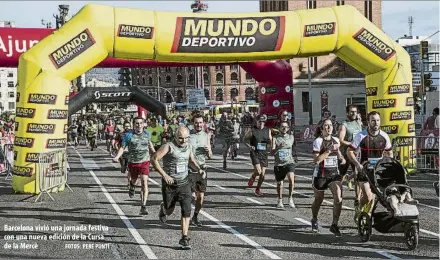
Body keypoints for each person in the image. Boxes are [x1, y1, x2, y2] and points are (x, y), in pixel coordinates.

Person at [151, 126, 206, 250]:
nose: (184, 141)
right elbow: (154, 159)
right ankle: (163, 208)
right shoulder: (168, 146)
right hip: (170, 185)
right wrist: (164, 175)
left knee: (186, 210)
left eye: (186, 138)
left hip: (184, 183)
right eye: (181, 138)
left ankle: (184, 237)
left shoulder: (188, 146)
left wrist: (199, 169)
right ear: (175, 136)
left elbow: (191, 160)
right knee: (169, 211)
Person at [347, 111, 393, 223]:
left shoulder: (384, 136)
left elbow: (389, 152)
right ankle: (360, 208)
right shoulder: (361, 135)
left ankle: (366, 215)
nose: (376, 123)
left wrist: (388, 163)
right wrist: (357, 165)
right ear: (368, 122)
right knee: (368, 197)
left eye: (377, 120)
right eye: (373, 120)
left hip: (378, 171)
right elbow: (349, 151)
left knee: (374, 198)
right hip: (364, 170)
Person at [113, 117, 155, 215]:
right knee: (134, 180)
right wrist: (117, 157)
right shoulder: (128, 135)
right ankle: (132, 186)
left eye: (141, 123)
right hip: (133, 162)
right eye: (137, 123)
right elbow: (122, 147)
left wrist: (156, 153)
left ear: (143, 124)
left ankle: (143, 206)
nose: (139, 125)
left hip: (145, 161)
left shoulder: (147, 134)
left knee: (144, 181)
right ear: (133, 125)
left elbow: (150, 145)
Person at [311, 119, 346, 236]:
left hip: (333, 175)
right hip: (320, 175)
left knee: (338, 197)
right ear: (321, 129)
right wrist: (329, 150)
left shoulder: (336, 140)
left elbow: (338, 152)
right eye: (326, 125)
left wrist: (342, 158)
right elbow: (316, 160)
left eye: (330, 125)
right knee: (318, 200)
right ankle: (314, 218)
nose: (329, 127)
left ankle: (334, 224)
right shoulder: (318, 141)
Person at [188, 114, 212, 226]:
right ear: (193, 124)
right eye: (196, 123)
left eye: (200, 122)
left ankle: (195, 216)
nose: (199, 125)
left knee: (200, 197)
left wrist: (208, 151)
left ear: (203, 123)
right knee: (191, 195)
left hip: (202, 169)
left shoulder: (206, 135)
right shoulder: (188, 135)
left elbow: (210, 156)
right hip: (190, 169)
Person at [244, 114, 272, 197]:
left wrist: (271, 145)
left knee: (263, 175)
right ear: (256, 121)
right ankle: (253, 176)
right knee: (258, 171)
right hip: (255, 153)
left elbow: (270, 140)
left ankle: (257, 189)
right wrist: (249, 146)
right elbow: (244, 139)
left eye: (263, 122)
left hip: (264, 153)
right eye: (260, 121)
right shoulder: (252, 130)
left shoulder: (268, 130)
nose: (261, 123)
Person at [338, 105, 362, 199]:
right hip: (345, 154)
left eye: (355, 112)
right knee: (341, 176)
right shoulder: (344, 125)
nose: (353, 114)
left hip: (355, 154)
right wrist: (352, 144)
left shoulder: (358, 123)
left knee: (357, 175)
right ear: (347, 113)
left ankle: (358, 198)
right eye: (351, 112)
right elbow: (341, 140)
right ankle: (339, 195)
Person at [271, 121, 296, 209]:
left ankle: (290, 198)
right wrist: (278, 147)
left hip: (289, 162)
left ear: (288, 128)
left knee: (291, 180)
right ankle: (280, 200)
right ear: (279, 128)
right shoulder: (275, 138)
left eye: (286, 127)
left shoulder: (291, 137)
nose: (284, 128)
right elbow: (272, 152)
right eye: (282, 126)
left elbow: (293, 148)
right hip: (279, 164)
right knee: (280, 184)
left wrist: (295, 156)